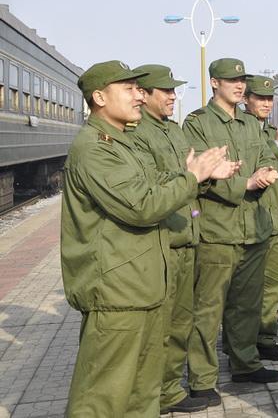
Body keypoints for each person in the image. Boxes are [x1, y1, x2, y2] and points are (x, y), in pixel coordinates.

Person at [61, 61, 234, 417]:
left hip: (141, 286)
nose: (138, 96)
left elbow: (153, 185)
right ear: (99, 97)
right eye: (129, 89)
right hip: (116, 291)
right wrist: (192, 177)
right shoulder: (96, 148)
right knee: (103, 397)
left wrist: (194, 176)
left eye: (139, 89)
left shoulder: (122, 144)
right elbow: (141, 205)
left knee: (142, 393)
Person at [183, 58, 278, 406]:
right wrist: (246, 182)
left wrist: (267, 171)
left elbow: (267, 157)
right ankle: (202, 380)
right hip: (218, 230)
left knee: (246, 305)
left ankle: (244, 364)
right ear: (214, 83)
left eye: (242, 80)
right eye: (231, 81)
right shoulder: (197, 124)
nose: (239, 86)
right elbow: (198, 177)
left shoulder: (250, 123)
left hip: (253, 228)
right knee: (208, 309)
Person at [129, 65, 208, 414]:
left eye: (174, 91)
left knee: (180, 321)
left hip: (186, 236)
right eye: (166, 91)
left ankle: (170, 390)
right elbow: (152, 184)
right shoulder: (137, 134)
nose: (174, 96)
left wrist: (207, 173)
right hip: (162, 243)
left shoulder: (173, 131)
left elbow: (187, 180)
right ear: (143, 95)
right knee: (159, 328)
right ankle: (150, 394)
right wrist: (190, 173)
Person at [243, 75, 278, 361]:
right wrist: (276, 147)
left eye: (269, 98)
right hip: (249, 221)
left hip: (272, 219)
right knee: (248, 290)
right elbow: (254, 166)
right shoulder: (243, 131)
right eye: (259, 98)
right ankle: (244, 345)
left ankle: (265, 339)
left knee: (273, 285)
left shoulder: (272, 131)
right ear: (246, 99)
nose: (265, 103)